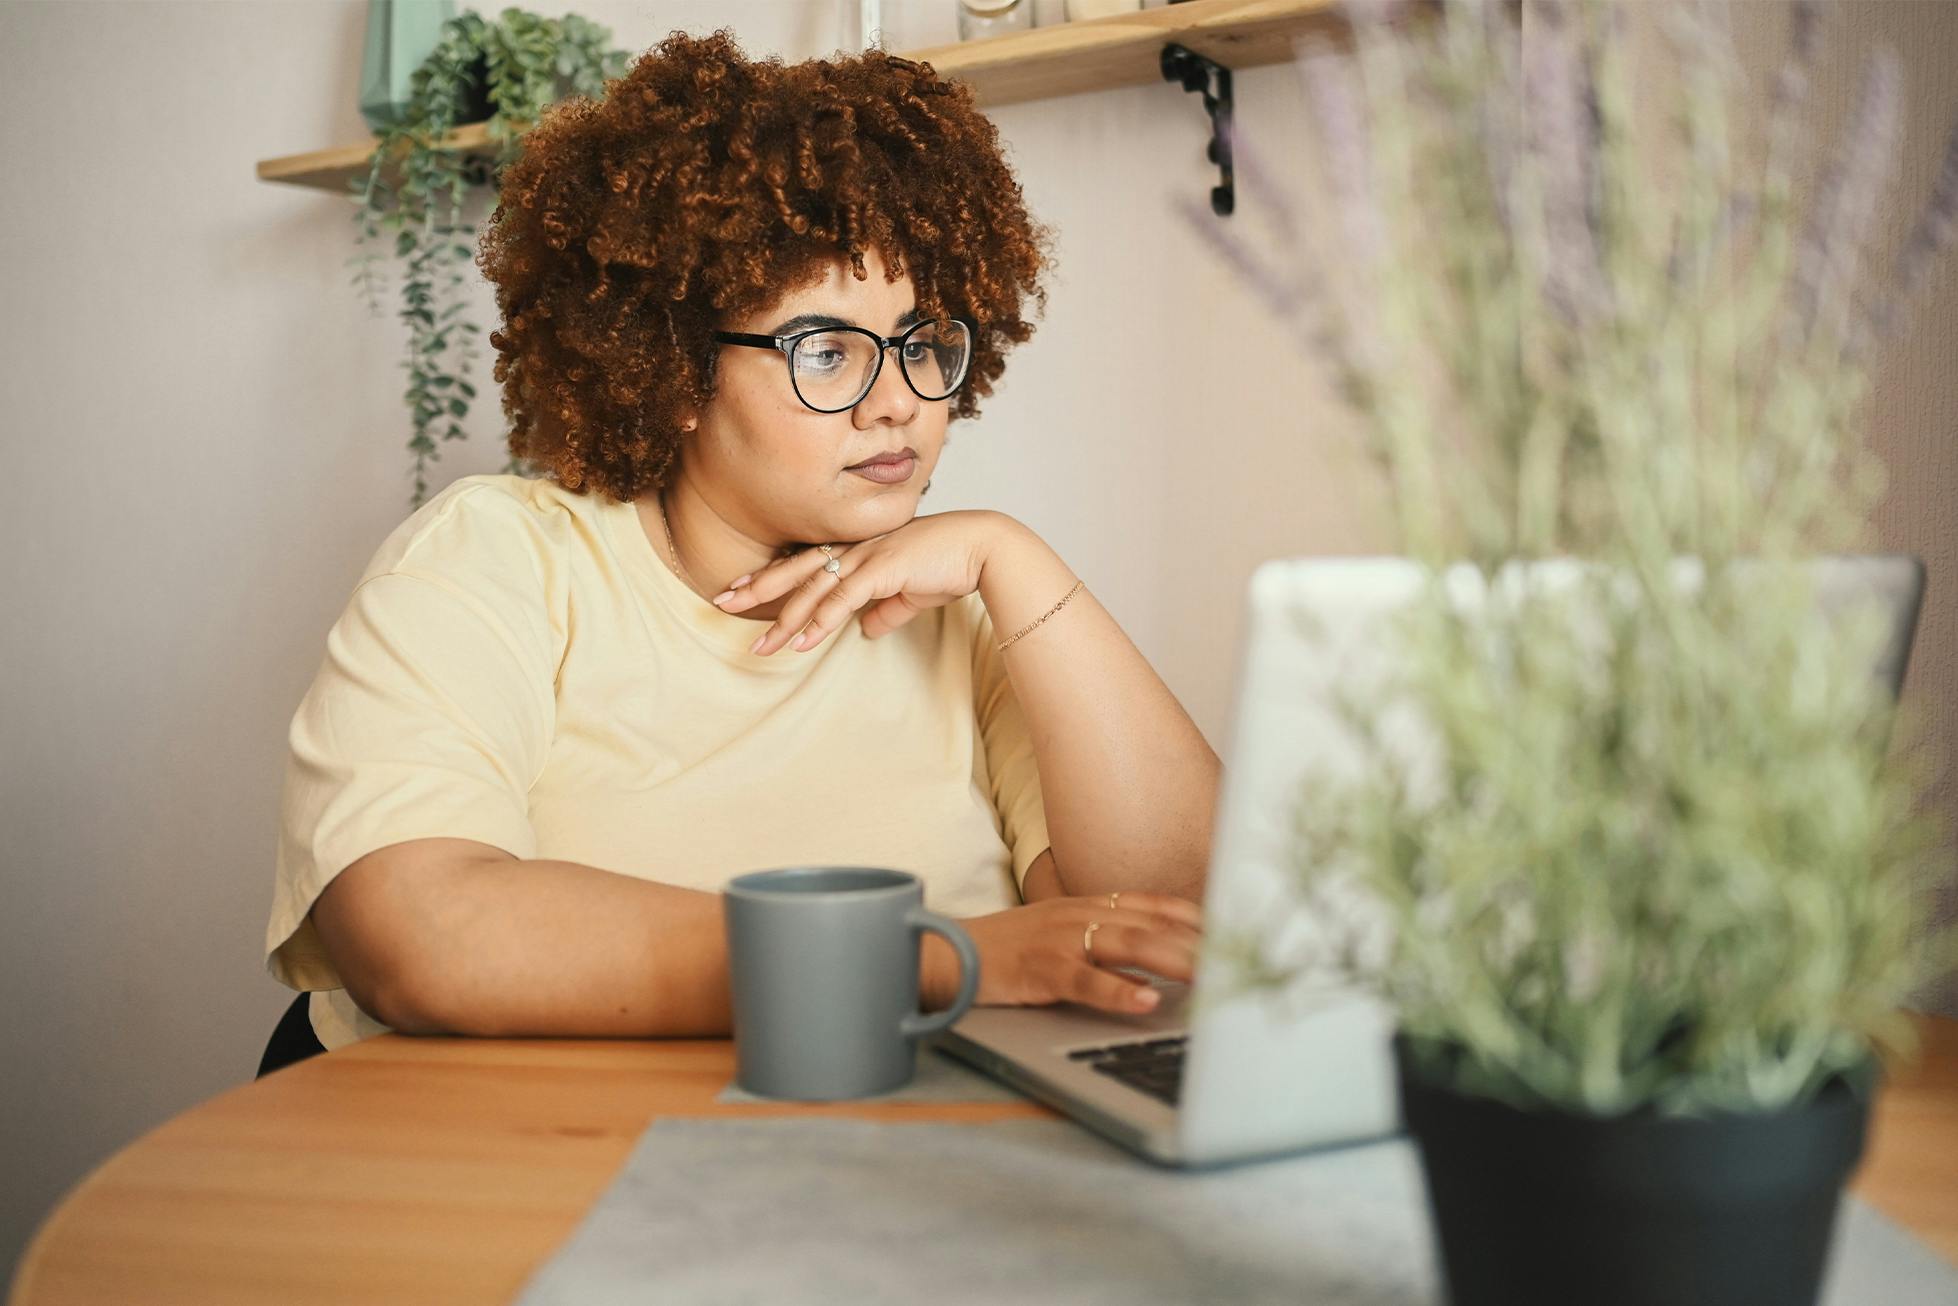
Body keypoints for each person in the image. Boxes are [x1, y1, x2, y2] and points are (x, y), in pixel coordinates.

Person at [262, 29, 1220, 1054]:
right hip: (533, 1173)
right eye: (824, 349)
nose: (896, 403)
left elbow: (1165, 925)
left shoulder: (964, 613)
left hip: (893, 1163)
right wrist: (947, 954)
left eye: (924, 341)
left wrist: (1015, 560)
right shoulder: (494, 561)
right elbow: (421, 930)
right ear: (672, 368)